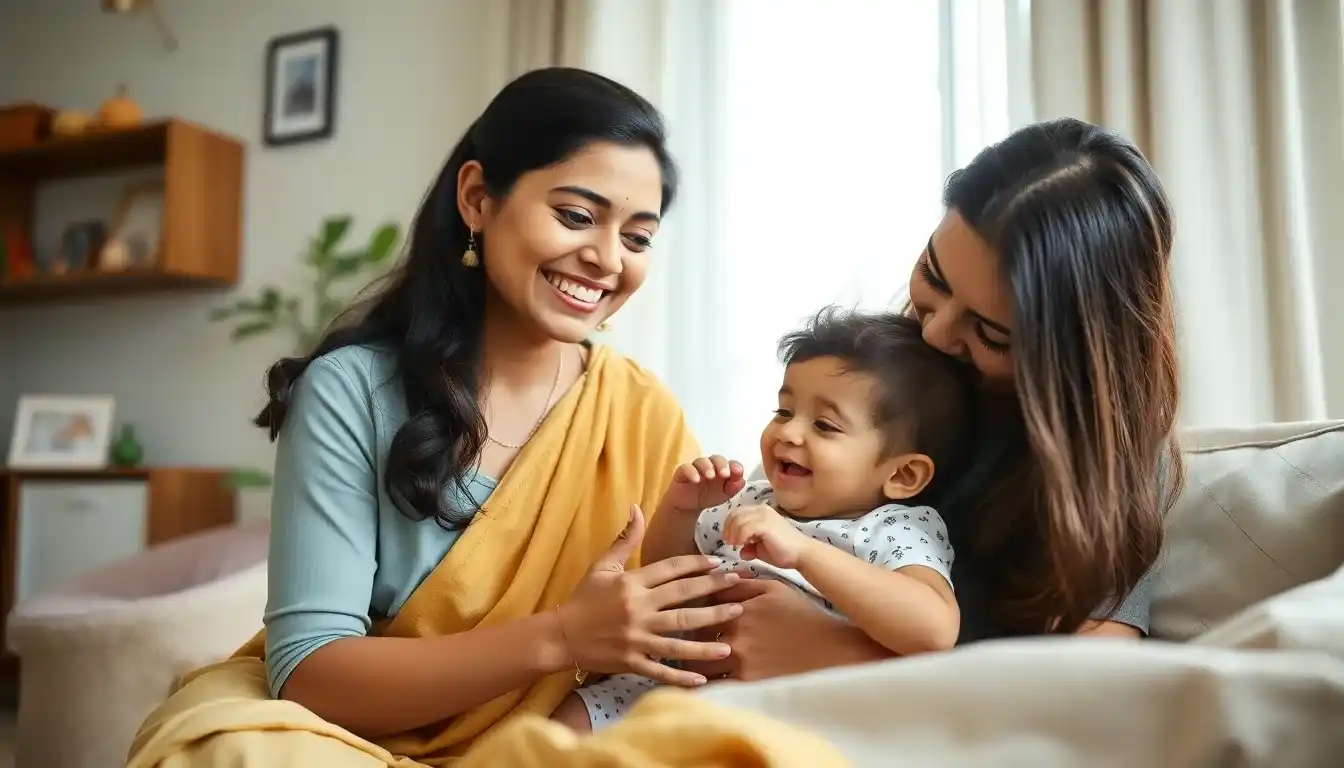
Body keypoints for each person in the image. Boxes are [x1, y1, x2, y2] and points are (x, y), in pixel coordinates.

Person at [127, 67, 745, 767]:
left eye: (638, 238)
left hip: (551, 746)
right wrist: (565, 636)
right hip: (349, 737)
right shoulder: (352, 390)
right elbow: (310, 674)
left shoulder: (637, 410)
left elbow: (689, 626)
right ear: (478, 198)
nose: (607, 260)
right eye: (576, 216)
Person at [678, 116, 1184, 684]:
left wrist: (843, 656)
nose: (936, 333)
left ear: (1073, 350)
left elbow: (1090, 686)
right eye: (933, 278)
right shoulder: (885, 376)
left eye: (991, 332)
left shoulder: (1113, 467)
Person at [552, 309, 981, 732]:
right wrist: (682, 510)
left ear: (902, 475)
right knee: (573, 719)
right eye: (784, 411)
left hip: (783, 706)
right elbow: (671, 572)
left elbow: (934, 630)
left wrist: (806, 553)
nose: (790, 433)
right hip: (673, 680)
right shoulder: (753, 499)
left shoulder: (896, 530)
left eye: (825, 425)